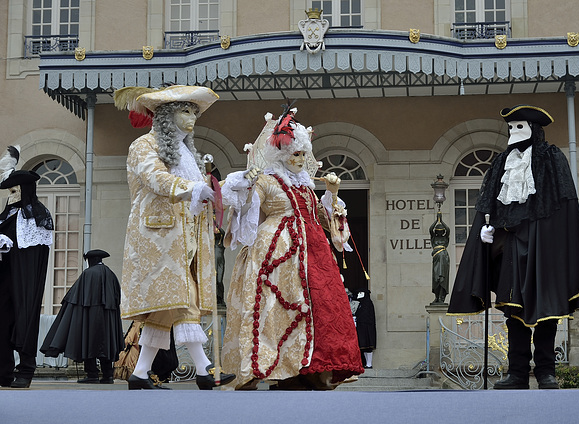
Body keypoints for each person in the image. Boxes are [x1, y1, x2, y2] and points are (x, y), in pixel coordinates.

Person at [447, 105, 579, 390]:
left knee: (547, 310)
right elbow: (488, 202)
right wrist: (485, 228)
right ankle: (517, 372)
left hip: (545, 247)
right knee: (512, 310)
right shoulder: (501, 162)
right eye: (511, 128)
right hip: (512, 249)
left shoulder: (552, 159)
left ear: (534, 129)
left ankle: (546, 372)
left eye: (520, 127)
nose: (514, 132)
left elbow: (565, 204)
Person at [221, 105, 364, 390]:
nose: (299, 160)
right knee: (275, 309)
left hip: (314, 254)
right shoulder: (266, 180)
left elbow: (326, 221)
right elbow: (246, 209)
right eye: (294, 154)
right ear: (282, 155)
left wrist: (332, 196)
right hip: (277, 251)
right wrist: (243, 188)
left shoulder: (306, 187)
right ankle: (277, 367)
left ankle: (309, 370)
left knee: (320, 308)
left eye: (302, 154)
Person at [115, 84, 234, 390]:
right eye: (185, 110)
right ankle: (206, 370)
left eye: (194, 110)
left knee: (164, 309)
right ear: (166, 115)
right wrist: (195, 189)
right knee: (185, 297)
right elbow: (157, 179)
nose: (191, 116)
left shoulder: (186, 153)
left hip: (186, 236)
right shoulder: (143, 146)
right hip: (158, 236)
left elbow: (195, 192)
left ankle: (140, 374)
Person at [0, 152, 54, 389]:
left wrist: (13, 247)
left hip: (24, 280)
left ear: (25, 189)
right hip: (4, 279)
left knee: (24, 319)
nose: (10, 197)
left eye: (14, 191)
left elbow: (35, 255)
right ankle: (3, 372)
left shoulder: (38, 215)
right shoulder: (6, 216)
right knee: (2, 321)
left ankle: (26, 370)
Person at [40, 249, 125, 384]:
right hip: (108, 318)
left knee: (89, 342)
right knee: (106, 343)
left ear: (91, 260)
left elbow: (74, 297)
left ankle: (92, 375)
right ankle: (108, 375)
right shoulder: (111, 274)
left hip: (90, 317)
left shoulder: (88, 273)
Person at [429, 210, 450, 304]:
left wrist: (441, 221)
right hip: (437, 258)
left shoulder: (445, 238)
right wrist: (437, 220)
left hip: (444, 258)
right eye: (438, 231)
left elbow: (448, 230)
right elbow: (430, 229)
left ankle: (441, 297)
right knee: (436, 278)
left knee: (443, 278)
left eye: (441, 231)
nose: (440, 233)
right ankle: (436, 297)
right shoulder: (434, 238)